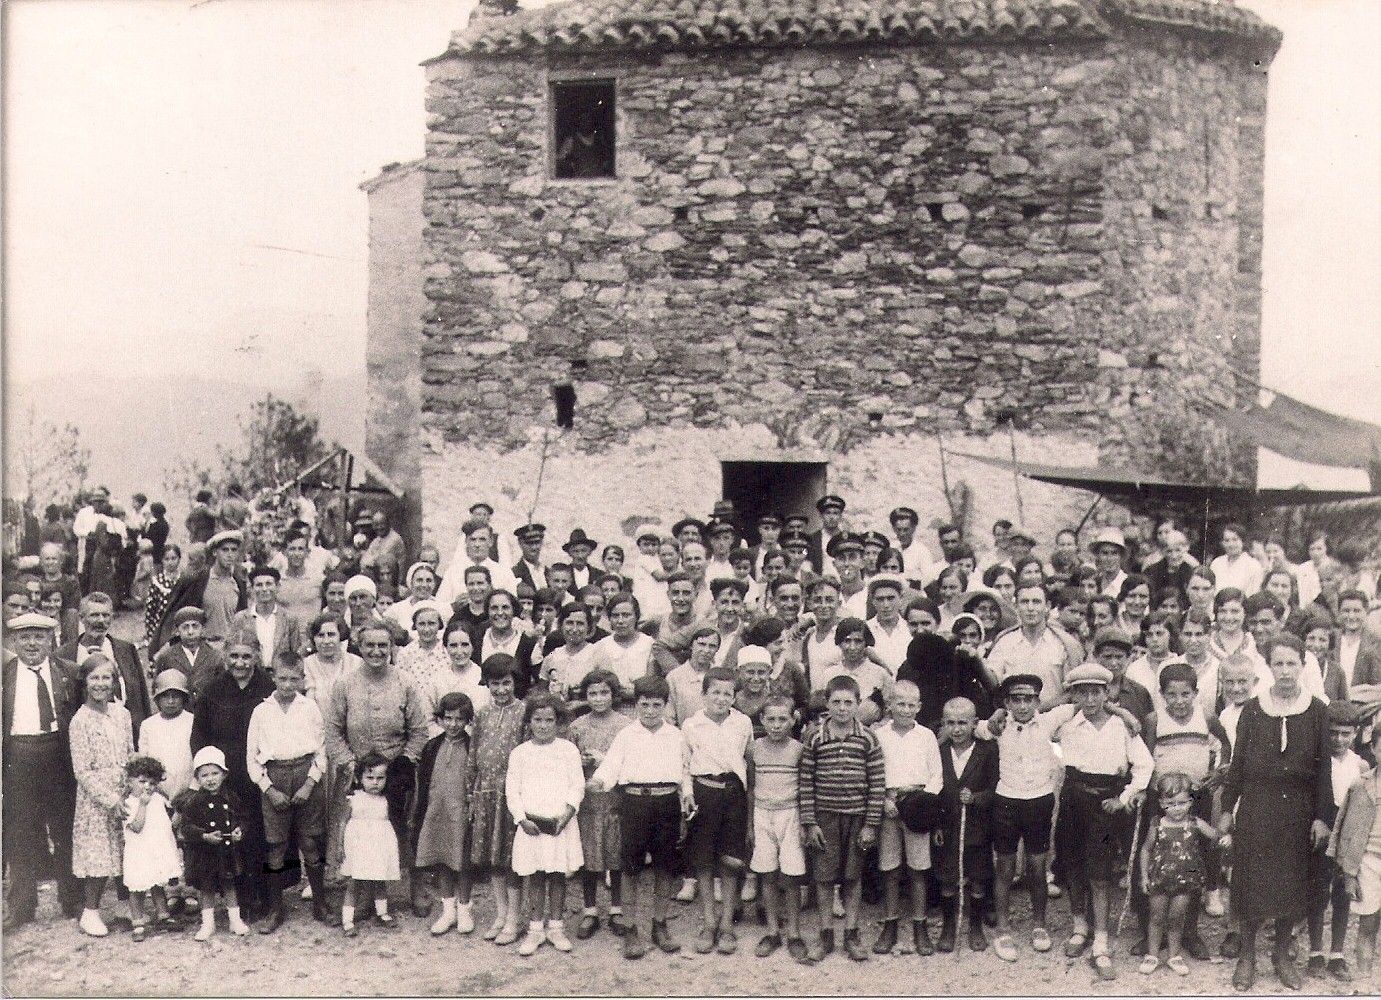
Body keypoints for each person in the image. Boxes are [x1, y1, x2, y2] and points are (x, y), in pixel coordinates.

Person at [1219, 633, 1332, 991]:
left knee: (1291, 885)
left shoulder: (1317, 711)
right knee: (1252, 882)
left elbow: (1323, 771)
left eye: (1291, 663)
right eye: (1278, 663)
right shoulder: (1253, 710)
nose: (1285, 670)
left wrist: (1320, 816)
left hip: (1297, 810)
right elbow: (1236, 767)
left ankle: (1280, 954)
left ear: (1302, 665)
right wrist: (1226, 810)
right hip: (1257, 806)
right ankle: (1248, 955)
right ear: (1269, 667)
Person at [1053, 662, 1153, 982]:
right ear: (1074, 695)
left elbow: (1144, 766)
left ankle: (1101, 940)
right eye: (1082, 692)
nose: (1090, 699)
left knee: (1100, 874)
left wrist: (1123, 798)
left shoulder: (1122, 727)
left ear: (1107, 693)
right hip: (1072, 799)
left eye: (1097, 692)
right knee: (1073, 866)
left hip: (1105, 805)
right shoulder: (1066, 724)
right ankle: (1079, 926)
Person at [323, 623, 428, 917]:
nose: (376, 651)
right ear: (359, 647)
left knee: (401, 829)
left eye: (383, 645)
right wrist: (349, 764)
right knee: (361, 833)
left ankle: (414, 888)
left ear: (392, 648)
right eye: (370, 645)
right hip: (357, 771)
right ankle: (365, 895)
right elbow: (333, 731)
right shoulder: (345, 684)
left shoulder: (404, 682)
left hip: (394, 769)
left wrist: (405, 762)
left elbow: (419, 730)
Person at [589, 674, 685, 960]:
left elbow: (686, 771)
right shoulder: (627, 734)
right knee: (630, 867)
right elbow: (610, 768)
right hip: (634, 803)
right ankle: (631, 928)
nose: (650, 711)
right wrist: (595, 782)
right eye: (645, 704)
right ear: (636, 705)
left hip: (667, 803)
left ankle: (659, 923)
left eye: (657, 705)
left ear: (665, 706)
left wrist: (687, 796)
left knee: (664, 867)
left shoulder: (676, 735)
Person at [1, 611, 82, 930]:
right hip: (18, 756)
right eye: (24, 637)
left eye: (39, 636)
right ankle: (21, 906)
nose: (32, 643)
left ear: (51, 639)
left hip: (58, 756)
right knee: (20, 831)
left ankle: (72, 898)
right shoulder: (5, 675)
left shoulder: (69, 672)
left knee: (64, 829)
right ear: (13, 641)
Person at [800, 674, 886, 963]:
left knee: (853, 877)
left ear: (858, 704)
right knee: (824, 878)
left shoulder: (868, 738)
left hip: (857, 817)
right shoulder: (814, 736)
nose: (842, 708)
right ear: (826, 703)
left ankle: (851, 933)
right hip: (825, 817)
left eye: (848, 702)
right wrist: (810, 822)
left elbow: (877, 783)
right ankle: (826, 935)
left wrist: (871, 825)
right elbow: (806, 782)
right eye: (836, 702)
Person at [191, 632, 275, 921]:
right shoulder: (211, 690)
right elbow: (199, 735)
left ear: (256, 657)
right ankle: (236, 899)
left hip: (259, 773)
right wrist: (209, 773)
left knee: (259, 834)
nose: (240, 663)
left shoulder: (268, 686)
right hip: (224, 777)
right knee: (230, 837)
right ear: (225, 657)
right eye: (234, 656)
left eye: (246, 656)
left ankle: (263, 896)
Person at [245, 651, 329, 931]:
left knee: (310, 842)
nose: (288, 684)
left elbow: (321, 751)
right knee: (276, 846)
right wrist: (269, 789)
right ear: (273, 676)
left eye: (295, 679)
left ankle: (320, 903)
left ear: (302, 679)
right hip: (275, 776)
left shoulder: (310, 708)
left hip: (306, 775)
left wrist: (309, 784)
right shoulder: (262, 711)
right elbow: (251, 758)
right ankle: (275, 909)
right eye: (283, 678)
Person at [680, 666, 754, 956]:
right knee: (704, 860)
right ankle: (709, 922)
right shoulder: (691, 725)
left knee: (731, 860)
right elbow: (685, 767)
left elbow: (747, 762)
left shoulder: (743, 723)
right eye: (716, 692)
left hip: (733, 794)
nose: (722, 699)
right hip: (703, 793)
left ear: (734, 696)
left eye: (728, 693)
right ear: (704, 694)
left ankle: (726, 925)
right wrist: (687, 795)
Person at [507, 692, 585, 957]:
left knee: (557, 875)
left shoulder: (568, 750)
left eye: (549, 720)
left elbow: (577, 785)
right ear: (529, 721)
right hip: (532, 825)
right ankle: (535, 929)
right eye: (537, 719)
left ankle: (556, 927)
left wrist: (568, 812)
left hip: (559, 823)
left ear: (558, 722)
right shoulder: (520, 753)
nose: (543, 725)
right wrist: (521, 818)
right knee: (536, 876)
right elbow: (512, 791)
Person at [871, 679, 942, 957]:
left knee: (918, 868)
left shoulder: (926, 736)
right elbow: (874, 772)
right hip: (889, 804)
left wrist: (925, 803)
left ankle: (919, 926)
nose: (905, 709)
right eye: (900, 703)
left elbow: (936, 775)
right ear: (889, 705)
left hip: (918, 805)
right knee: (889, 868)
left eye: (912, 704)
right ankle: (889, 924)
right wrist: (884, 800)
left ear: (919, 707)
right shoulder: (879, 734)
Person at [69, 652, 136, 937]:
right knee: (99, 856)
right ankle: (91, 912)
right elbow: (82, 771)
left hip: (124, 791)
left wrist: (137, 781)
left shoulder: (122, 714)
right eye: (94, 678)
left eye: (106, 677)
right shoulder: (79, 721)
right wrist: (110, 800)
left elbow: (130, 751)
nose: (100, 684)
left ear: (114, 681)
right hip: (97, 800)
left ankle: (125, 906)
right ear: (84, 682)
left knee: (125, 852)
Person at [467, 654, 528, 944]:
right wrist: (471, 790)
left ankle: (515, 918)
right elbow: (473, 754)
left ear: (515, 682)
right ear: (487, 684)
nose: (501, 690)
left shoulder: (525, 712)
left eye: (506, 683)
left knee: (512, 859)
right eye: (495, 684)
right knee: (493, 858)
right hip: (486, 793)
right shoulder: (482, 714)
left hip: (513, 795)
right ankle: (501, 914)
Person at [744, 694, 810, 963]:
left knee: (792, 876)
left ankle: (793, 933)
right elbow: (750, 789)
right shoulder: (753, 749)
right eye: (770, 719)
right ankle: (772, 931)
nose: (776, 725)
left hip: (790, 814)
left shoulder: (799, 749)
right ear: (761, 720)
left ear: (793, 720)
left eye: (783, 719)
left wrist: (805, 821)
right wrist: (749, 823)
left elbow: (806, 790)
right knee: (767, 874)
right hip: (762, 813)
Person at [568, 670, 633, 939]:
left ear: (614, 695)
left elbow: (631, 762)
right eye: (593, 693)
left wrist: (604, 759)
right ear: (585, 696)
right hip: (588, 802)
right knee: (590, 855)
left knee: (615, 854)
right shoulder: (578, 726)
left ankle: (617, 909)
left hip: (616, 799)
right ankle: (590, 909)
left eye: (604, 692)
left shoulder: (626, 725)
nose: (598, 698)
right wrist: (579, 763)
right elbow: (568, 763)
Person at [1138, 771, 1222, 977]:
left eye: (1182, 803)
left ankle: (1174, 956)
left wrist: (1224, 836)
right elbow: (1146, 850)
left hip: (1185, 881)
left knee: (1177, 918)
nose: (1177, 809)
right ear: (1161, 803)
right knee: (1157, 917)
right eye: (1170, 803)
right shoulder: (1157, 824)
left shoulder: (1195, 823)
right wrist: (1144, 877)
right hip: (1159, 878)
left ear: (1191, 801)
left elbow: (1215, 836)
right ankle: (1152, 954)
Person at [932, 696, 998, 954]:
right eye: (950, 723)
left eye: (962, 723)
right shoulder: (938, 752)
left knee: (978, 878)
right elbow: (934, 790)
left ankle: (975, 926)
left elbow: (996, 789)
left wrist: (977, 798)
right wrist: (936, 824)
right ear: (943, 724)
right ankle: (949, 927)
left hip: (978, 827)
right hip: (948, 826)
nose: (956, 729)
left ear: (974, 724)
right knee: (948, 878)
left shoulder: (987, 751)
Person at [1306, 701, 1364, 981]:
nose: (1338, 739)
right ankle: (1315, 951)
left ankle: (1337, 954)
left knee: (1342, 892)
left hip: (1349, 833)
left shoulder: (1360, 764)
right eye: (1333, 733)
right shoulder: (1317, 762)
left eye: (1345, 733)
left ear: (1355, 733)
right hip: (1323, 829)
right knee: (1318, 891)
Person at [413, 692, 476, 936]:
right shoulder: (432, 746)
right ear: (440, 719)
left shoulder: (472, 746)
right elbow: (425, 781)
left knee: (462, 861)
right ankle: (447, 909)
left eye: (459, 719)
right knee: (442, 860)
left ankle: (464, 908)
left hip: (460, 813)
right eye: (448, 718)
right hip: (436, 812)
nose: (453, 724)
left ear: (467, 720)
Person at [178, 746, 250, 940]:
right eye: (204, 775)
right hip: (205, 854)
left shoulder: (231, 797)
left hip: (227, 851)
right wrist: (204, 836)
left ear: (224, 774)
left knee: (229, 885)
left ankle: (235, 920)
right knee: (207, 887)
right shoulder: (194, 801)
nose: (210, 779)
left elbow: (243, 818)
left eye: (215, 773)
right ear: (197, 778)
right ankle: (207, 923)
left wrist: (239, 830)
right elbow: (186, 827)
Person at [60, 592, 152, 740]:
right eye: (94, 615)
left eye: (106, 615)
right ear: (81, 618)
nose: (100, 621)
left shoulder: (126, 650)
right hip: (85, 738)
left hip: (126, 733)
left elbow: (141, 698)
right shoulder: (64, 655)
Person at [1329, 720, 1381, 983]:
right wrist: (1349, 873)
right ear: (1373, 749)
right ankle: (1365, 982)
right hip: (1370, 861)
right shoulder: (1361, 786)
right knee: (1368, 924)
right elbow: (1346, 832)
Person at [339, 752, 402, 936]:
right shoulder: (354, 798)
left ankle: (382, 912)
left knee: (379, 880)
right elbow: (343, 823)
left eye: (380, 778)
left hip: (379, 846)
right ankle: (347, 920)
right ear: (360, 778)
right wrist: (340, 847)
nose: (375, 782)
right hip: (359, 846)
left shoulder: (386, 800)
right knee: (354, 882)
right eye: (370, 777)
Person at [155, 530, 249, 654]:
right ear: (215, 552)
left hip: (229, 650)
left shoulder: (238, 583)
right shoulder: (199, 580)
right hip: (202, 648)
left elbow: (242, 621)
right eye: (225, 550)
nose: (230, 555)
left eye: (234, 550)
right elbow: (176, 615)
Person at [121, 755, 182, 940]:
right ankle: (138, 922)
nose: (147, 786)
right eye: (142, 781)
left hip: (155, 850)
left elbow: (170, 813)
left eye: (152, 782)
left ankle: (163, 915)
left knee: (157, 885)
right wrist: (143, 804)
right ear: (129, 781)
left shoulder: (156, 798)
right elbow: (137, 827)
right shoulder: (127, 804)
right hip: (138, 854)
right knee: (137, 889)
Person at [232, 565, 304, 670]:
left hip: (280, 675)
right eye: (259, 585)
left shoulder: (289, 619)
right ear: (252, 588)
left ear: (278, 587)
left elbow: (295, 653)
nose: (264, 589)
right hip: (251, 674)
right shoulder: (241, 618)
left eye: (269, 584)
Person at [143, 542, 182, 647]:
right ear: (162, 560)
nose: (170, 563)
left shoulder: (184, 579)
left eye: (173, 558)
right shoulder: (157, 581)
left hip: (181, 629)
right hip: (161, 629)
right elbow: (151, 610)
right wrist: (151, 634)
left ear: (179, 559)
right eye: (167, 559)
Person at [1210, 523, 1263, 597]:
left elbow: (1254, 595)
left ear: (1243, 541)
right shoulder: (1216, 563)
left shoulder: (1253, 566)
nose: (1231, 544)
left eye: (1235, 539)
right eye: (1227, 540)